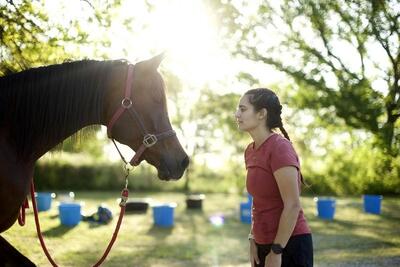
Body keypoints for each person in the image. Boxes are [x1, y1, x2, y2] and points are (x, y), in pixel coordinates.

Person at [235, 88, 313, 267]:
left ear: (261, 113)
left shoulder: (279, 148)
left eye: (243, 109)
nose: (237, 114)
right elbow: (259, 200)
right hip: (262, 244)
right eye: (238, 109)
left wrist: (276, 251)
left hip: (289, 244)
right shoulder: (250, 150)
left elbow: (292, 205)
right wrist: (253, 237)